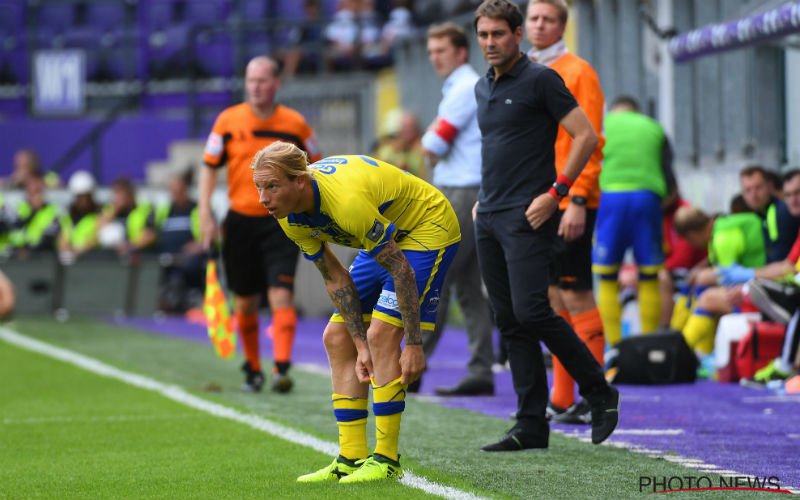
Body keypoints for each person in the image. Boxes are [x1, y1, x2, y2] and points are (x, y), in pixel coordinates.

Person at [250, 142, 460, 483]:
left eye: (272, 186)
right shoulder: (288, 216)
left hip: (426, 228)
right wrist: (358, 345)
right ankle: (350, 457)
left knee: (382, 335)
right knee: (337, 338)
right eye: (259, 187)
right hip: (383, 238)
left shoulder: (345, 203)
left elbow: (401, 270)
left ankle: (387, 460)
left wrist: (414, 344)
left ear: (300, 181)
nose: (263, 198)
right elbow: (334, 277)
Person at [472, 0, 618, 452]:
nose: (490, 43)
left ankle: (598, 390)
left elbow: (587, 136)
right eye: (483, 35)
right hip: (490, 215)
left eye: (498, 34)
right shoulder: (483, 87)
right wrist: (482, 201)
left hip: (528, 213)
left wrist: (557, 194)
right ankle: (531, 424)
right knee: (510, 321)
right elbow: (499, 149)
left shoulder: (541, 79)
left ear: (517, 34)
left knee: (533, 311)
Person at [200, 56, 321, 393]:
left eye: (262, 80)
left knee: (281, 293)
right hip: (239, 223)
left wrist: (313, 211)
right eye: (250, 80)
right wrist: (205, 212)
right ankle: (253, 369)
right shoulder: (227, 120)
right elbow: (209, 166)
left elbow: (319, 166)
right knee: (245, 302)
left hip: (281, 222)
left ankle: (281, 367)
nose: (255, 86)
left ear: (276, 83)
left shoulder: (294, 124)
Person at [524, 0, 606, 424]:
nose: (539, 25)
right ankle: (562, 397)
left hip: (568, 198)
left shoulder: (578, 71)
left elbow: (589, 139)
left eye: (548, 19)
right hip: (539, 198)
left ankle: (595, 395)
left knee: (576, 294)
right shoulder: (526, 70)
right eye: (534, 18)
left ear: (562, 26)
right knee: (553, 298)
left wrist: (576, 198)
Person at [417, 21, 494, 396]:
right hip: (472, 188)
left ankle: (412, 365)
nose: (434, 59)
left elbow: (433, 143)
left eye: (441, 51)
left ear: (460, 52)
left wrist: (428, 136)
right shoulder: (467, 84)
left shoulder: (463, 87)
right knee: (468, 285)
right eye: (431, 52)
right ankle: (481, 369)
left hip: (460, 191)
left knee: (436, 276)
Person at [592, 95, 675, 345]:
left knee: (606, 276)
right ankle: (647, 343)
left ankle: (614, 347)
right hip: (647, 198)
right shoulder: (654, 128)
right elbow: (669, 177)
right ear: (636, 111)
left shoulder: (601, 125)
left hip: (610, 199)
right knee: (649, 274)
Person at [672, 206, 766, 354]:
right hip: (758, 286)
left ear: (692, 235)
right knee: (700, 284)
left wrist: (704, 276)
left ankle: (679, 351)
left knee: (707, 297)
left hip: (762, 292)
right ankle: (683, 344)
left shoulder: (722, 238)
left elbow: (732, 277)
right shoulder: (721, 227)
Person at [154, 170, 205, 314]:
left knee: (190, 266)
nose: (175, 191)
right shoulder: (164, 210)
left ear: (185, 188)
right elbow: (152, 231)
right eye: (172, 188)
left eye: (177, 187)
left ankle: (188, 301)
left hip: (189, 257)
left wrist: (198, 245)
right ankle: (165, 302)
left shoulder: (198, 209)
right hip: (166, 256)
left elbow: (211, 235)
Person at [96, 178, 156, 256]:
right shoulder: (109, 211)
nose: (117, 197)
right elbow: (98, 230)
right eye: (115, 193)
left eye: (120, 192)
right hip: (112, 259)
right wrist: (115, 210)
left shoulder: (145, 210)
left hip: (140, 257)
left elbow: (150, 235)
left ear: (130, 193)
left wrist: (130, 246)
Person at [58, 171, 101, 262]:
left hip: (92, 260)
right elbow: (63, 240)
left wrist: (78, 251)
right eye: (79, 197)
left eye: (86, 196)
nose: (83, 201)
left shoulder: (99, 215)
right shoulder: (67, 217)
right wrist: (68, 250)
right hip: (70, 260)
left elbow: (96, 238)